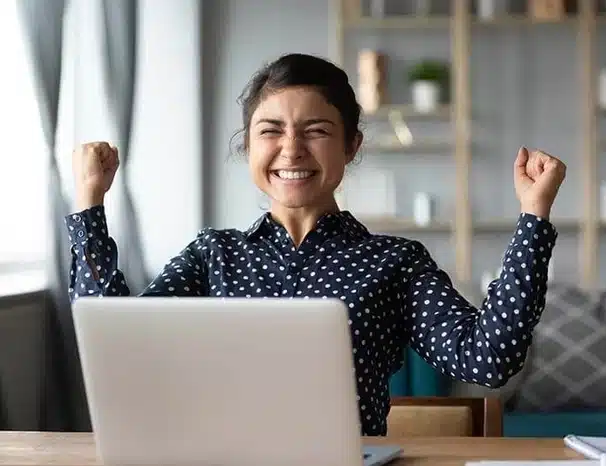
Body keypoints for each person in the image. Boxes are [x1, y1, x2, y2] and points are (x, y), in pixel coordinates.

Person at [66, 53, 566, 436]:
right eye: (271, 131)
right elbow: (120, 344)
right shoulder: (212, 255)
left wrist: (533, 217)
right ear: (249, 146)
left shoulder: (396, 262)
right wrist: (90, 203)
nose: (291, 149)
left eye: (316, 130)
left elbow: (489, 358)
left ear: (351, 145)